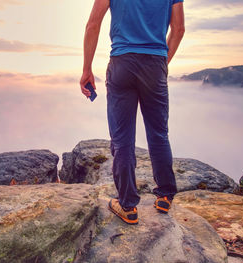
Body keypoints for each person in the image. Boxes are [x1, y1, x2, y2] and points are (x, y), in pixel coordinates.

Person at [80, 0, 185, 225]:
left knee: (122, 138)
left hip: (122, 63)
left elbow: (93, 24)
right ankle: (165, 195)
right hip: (155, 64)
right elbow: (179, 30)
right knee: (158, 134)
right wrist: (161, 62)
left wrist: (87, 69)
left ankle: (127, 205)